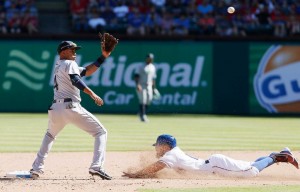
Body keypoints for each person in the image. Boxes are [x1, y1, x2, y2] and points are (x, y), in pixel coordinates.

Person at [30, 39, 116, 180]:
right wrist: (92, 94)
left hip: (55, 108)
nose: (75, 52)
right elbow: (76, 80)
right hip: (71, 107)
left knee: (50, 136)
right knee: (101, 132)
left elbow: (87, 71)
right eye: (72, 49)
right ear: (63, 52)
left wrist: (103, 57)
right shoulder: (69, 64)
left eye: (75, 50)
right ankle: (96, 166)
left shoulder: (60, 65)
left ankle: (36, 169)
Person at [122, 134, 299, 178]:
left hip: (215, 165)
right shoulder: (175, 153)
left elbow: (155, 167)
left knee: (251, 172)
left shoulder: (171, 155)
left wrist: (136, 174)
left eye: (158, 145)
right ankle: (274, 155)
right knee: (251, 164)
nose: (156, 148)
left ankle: (277, 157)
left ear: (166, 146)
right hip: (215, 164)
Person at [134, 53, 157, 122]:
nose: (149, 59)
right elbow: (136, 76)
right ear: (146, 58)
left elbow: (153, 78)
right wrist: (137, 85)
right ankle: (143, 115)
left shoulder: (153, 67)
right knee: (143, 100)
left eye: (151, 58)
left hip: (149, 85)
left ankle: (141, 113)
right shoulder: (141, 66)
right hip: (142, 85)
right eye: (148, 58)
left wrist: (154, 88)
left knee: (149, 100)